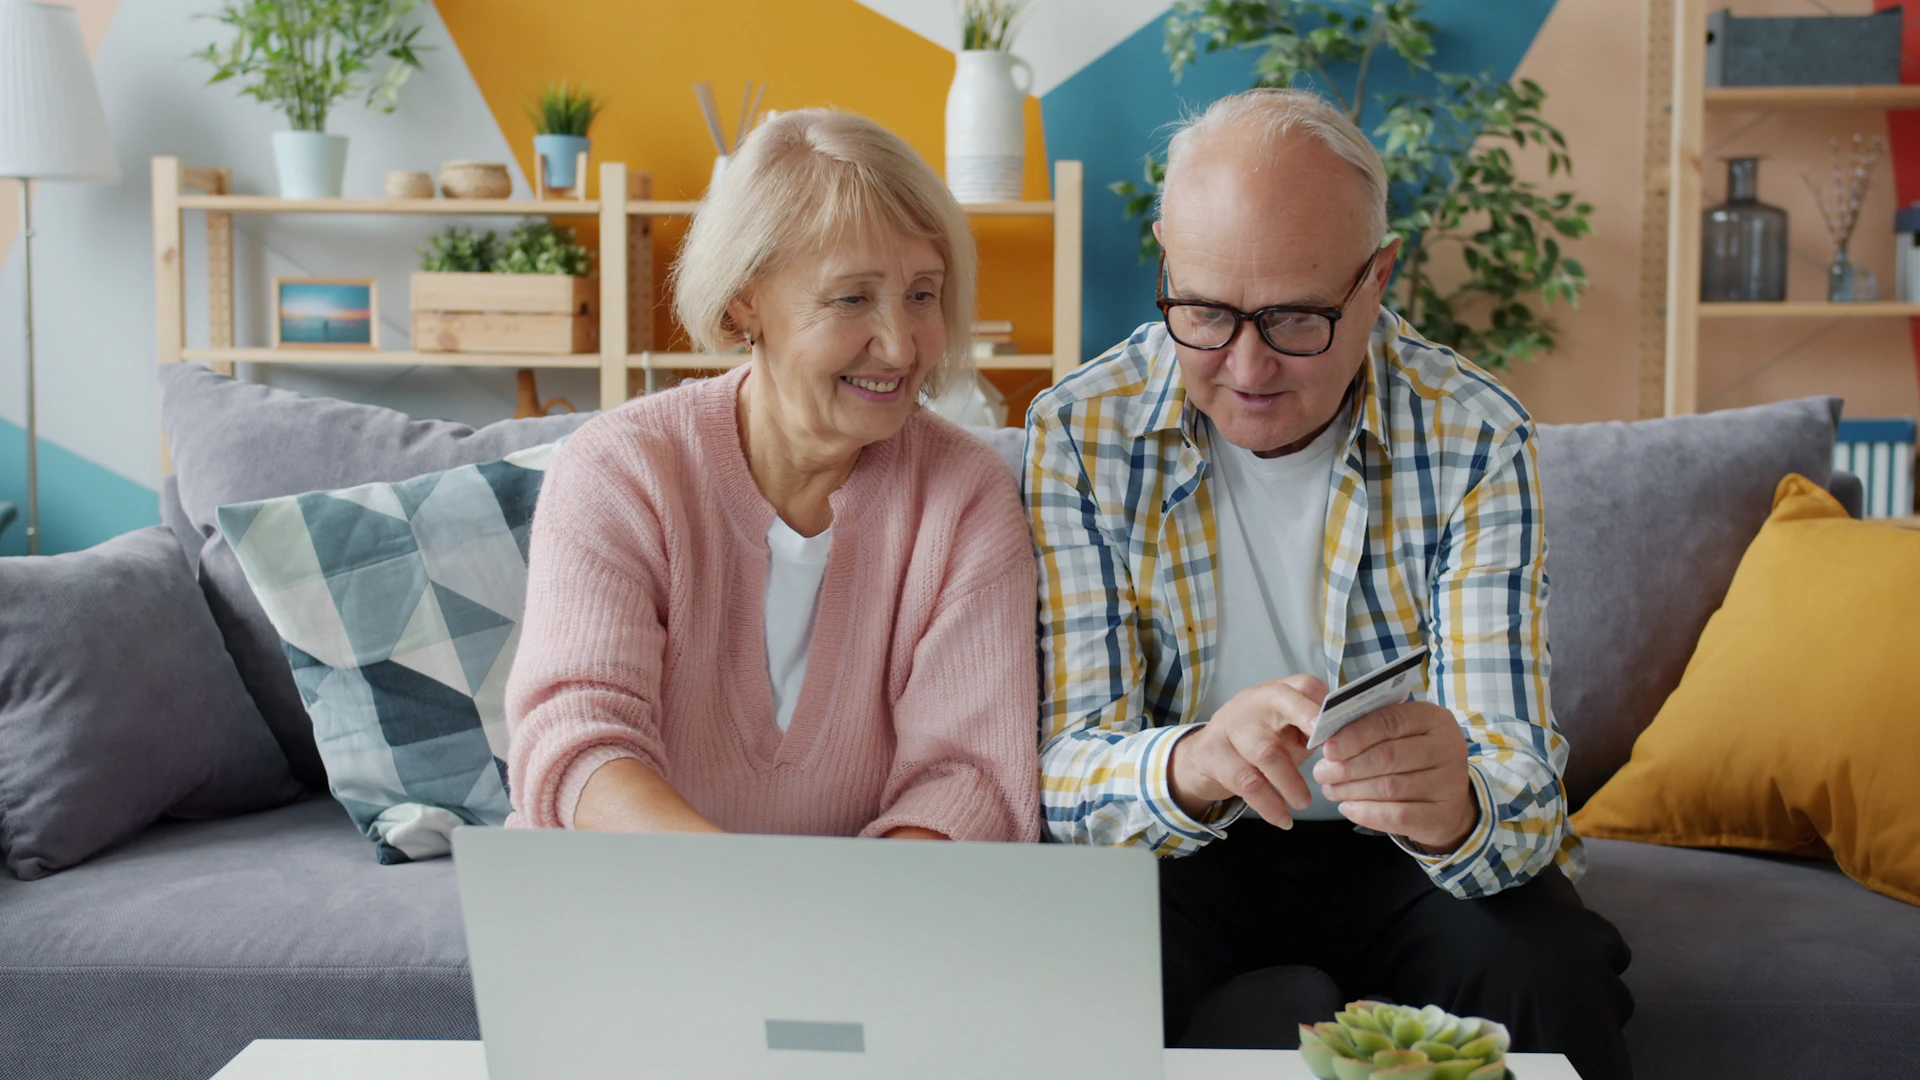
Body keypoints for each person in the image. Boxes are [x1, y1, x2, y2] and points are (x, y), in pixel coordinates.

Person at [1025, 89, 1633, 1079]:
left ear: (1378, 277)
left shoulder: (1475, 434)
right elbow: (1064, 771)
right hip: (1178, 843)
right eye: (1207, 314)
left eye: (1298, 317)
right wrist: (1196, 760)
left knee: (1546, 976)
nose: (1248, 366)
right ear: (1167, 267)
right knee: (1043, 977)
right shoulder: (1080, 434)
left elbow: (1522, 782)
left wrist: (1460, 806)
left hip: (1401, 852)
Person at [506, 109, 1039, 845]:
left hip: (869, 916)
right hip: (638, 894)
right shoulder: (622, 468)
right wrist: (744, 902)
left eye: (922, 294)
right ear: (744, 299)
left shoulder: (967, 495)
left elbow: (967, 779)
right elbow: (580, 738)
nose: (898, 343)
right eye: (852, 298)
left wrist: (831, 929)